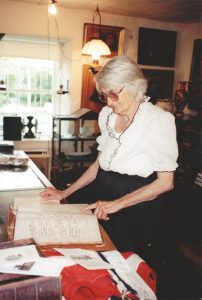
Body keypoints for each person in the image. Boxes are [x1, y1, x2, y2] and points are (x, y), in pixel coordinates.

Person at [40, 55, 178, 270]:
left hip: (139, 203)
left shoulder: (158, 120)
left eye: (113, 94)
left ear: (134, 85)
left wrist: (118, 204)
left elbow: (165, 182)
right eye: (104, 96)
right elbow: (99, 164)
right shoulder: (106, 115)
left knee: (133, 268)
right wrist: (64, 193)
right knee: (103, 263)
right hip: (105, 192)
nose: (110, 102)